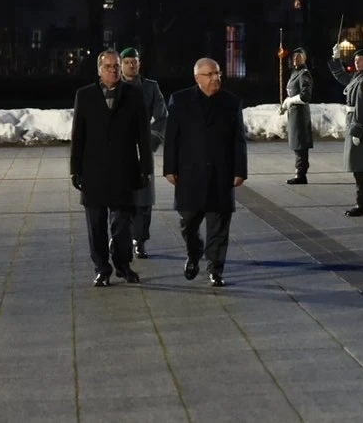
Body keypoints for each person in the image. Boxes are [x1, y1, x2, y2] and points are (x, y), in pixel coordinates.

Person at [163, 58, 248, 287]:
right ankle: (194, 252)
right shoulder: (180, 100)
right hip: (189, 175)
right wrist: (169, 168)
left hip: (221, 174)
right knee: (188, 223)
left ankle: (215, 268)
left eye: (218, 73)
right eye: (209, 74)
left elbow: (239, 140)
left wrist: (240, 170)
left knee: (219, 226)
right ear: (197, 78)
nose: (215, 78)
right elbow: (172, 138)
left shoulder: (231, 103)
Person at [71, 49, 151, 286]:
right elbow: (78, 135)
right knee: (95, 225)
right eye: (108, 67)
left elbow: (143, 137)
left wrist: (145, 168)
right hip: (93, 171)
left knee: (122, 226)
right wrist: (75, 169)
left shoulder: (134, 95)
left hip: (124, 170)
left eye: (116, 66)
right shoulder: (84, 96)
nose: (113, 70)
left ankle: (123, 265)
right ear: (99, 70)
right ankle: (101, 267)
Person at [119, 47, 167, 259]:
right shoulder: (113, 87)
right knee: (120, 198)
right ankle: (121, 237)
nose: (131, 65)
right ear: (121, 64)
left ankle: (140, 240)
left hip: (142, 150)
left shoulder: (150, 88)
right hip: (118, 151)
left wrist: (150, 142)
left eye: (134, 61)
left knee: (143, 200)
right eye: (127, 61)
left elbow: (162, 117)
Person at [329, 45, 363, 216]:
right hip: (354, 122)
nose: (357, 62)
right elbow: (342, 76)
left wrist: (357, 131)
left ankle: (362, 205)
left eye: (361, 60)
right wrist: (336, 60)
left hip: (359, 125)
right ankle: (362, 203)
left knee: (360, 168)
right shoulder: (358, 77)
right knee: (357, 168)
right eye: (356, 60)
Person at [281, 47, 314, 185]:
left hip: (300, 114)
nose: (295, 58)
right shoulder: (295, 73)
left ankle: (301, 174)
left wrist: (290, 101)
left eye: (299, 56)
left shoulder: (304, 74)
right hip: (293, 114)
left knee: (300, 144)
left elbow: (305, 95)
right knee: (296, 144)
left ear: (304, 58)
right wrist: (285, 104)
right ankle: (299, 172)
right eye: (294, 56)